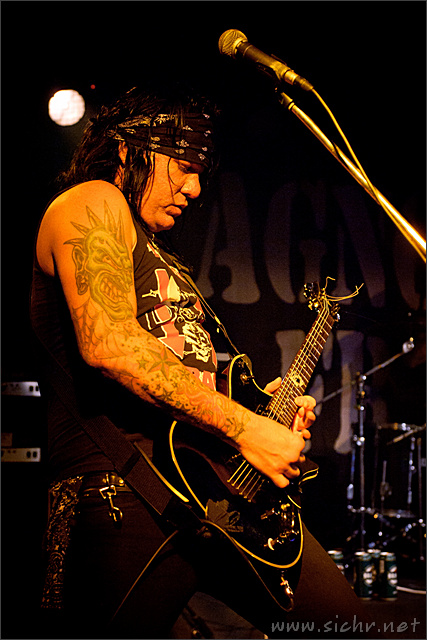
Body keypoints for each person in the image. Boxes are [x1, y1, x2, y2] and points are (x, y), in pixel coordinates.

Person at [31, 85, 373, 639]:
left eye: (199, 173)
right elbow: (109, 343)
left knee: (350, 626)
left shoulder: (159, 253)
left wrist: (261, 412)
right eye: (183, 166)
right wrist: (248, 430)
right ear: (130, 148)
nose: (193, 188)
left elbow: (182, 373)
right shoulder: (92, 202)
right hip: (121, 490)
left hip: (212, 489)